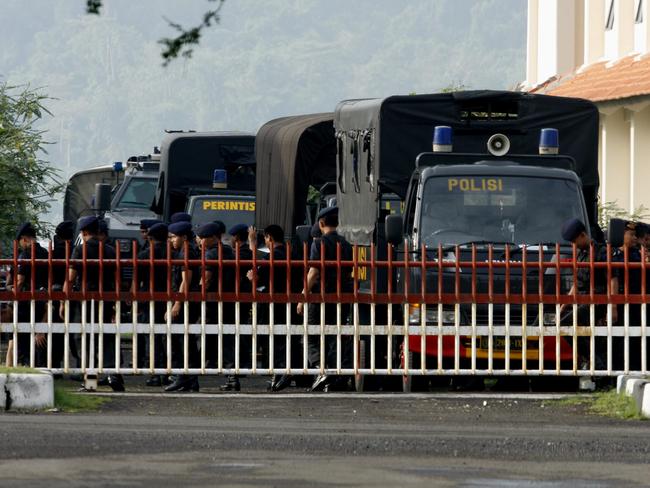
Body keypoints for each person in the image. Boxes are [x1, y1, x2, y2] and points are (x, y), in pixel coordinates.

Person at [59, 215, 122, 391]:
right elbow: (117, 278)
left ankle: (90, 380)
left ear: (85, 232)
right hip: (106, 297)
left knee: (84, 338)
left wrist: (64, 302)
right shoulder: (110, 250)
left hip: (85, 299)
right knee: (107, 336)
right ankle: (114, 375)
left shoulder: (80, 250)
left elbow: (71, 278)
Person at [297, 207, 354, 392]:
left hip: (320, 296)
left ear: (321, 224)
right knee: (334, 336)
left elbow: (314, 272)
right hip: (341, 297)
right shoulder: (346, 244)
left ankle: (320, 369)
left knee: (312, 335)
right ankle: (333, 375)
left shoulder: (319, 244)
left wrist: (302, 296)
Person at [560, 218, 618, 371]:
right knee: (568, 326)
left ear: (582, 235)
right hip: (583, 302)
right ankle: (594, 363)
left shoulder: (603, 252)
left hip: (598, 302)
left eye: (574, 241)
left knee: (567, 325)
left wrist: (612, 307)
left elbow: (612, 280)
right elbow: (576, 285)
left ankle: (596, 363)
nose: (573, 245)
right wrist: (563, 306)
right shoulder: (580, 255)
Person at [196, 222, 239, 390]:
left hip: (214, 301)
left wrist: (199, 292)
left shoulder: (211, 254)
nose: (201, 242)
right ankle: (230, 374)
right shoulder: (229, 251)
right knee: (226, 337)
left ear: (214, 238)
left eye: (204, 238)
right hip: (228, 299)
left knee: (212, 334)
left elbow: (206, 279)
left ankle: (226, 373)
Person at [247, 224, 290, 391]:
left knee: (272, 339)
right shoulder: (290, 253)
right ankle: (281, 373)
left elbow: (260, 279)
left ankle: (279, 372)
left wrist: (252, 278)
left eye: (265, 238)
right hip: (289, 301)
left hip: (272, 303)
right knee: (285, 338)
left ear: (269, 238)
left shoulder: (271, 258)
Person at [5, 223, 49, 367]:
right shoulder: (45, 253)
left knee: (19, 340)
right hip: (42, 300)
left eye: (20, 242)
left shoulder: (25, 255)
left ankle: (20, 366)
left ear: (24, 238)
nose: (20, 246)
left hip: (25, 303)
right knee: (37, 341)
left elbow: (19, 281)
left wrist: (13, 293)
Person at [164, 220, 201, 392]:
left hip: (186, 302)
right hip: (185, 300)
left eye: (173, 237)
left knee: (182, 341)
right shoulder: (185, 251)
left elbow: (186, 280)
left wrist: (177, 304)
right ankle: (190, 380)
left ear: (184, 237)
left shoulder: (186, 252)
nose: (171, 240)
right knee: (186, 341)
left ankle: (183, 377)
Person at [132, 222, 170, 387]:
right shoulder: (173, 253)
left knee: (151, 336)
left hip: (149, 297)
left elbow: (137, 278)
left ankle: (155, 372)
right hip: (169, 296)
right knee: (168, 336)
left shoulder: (144, 255)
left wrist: (135, 297)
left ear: (151, 238)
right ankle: (168, 372)